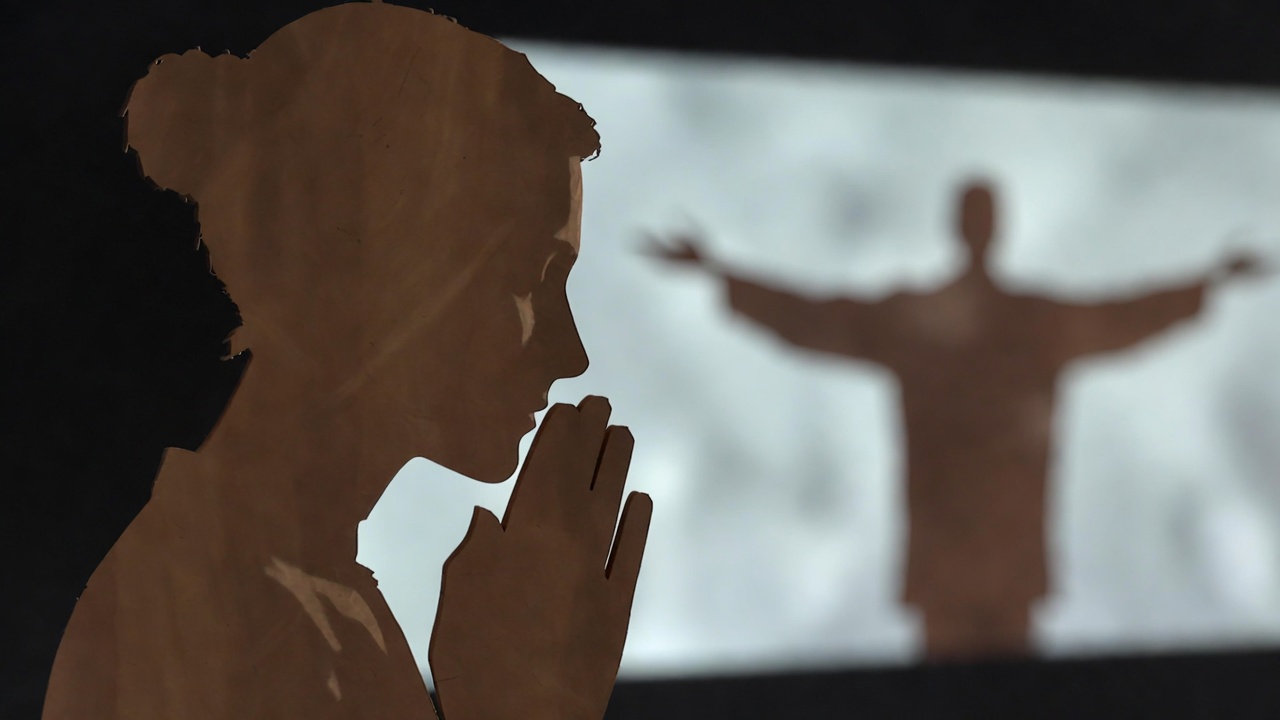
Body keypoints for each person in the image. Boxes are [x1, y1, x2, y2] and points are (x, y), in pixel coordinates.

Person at [44, 4, 651, 719]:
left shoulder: (304, 595)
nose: (569, 354)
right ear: (372, 269)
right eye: (530, 277)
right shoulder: (233, 628)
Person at [652, 180, 1263, 659]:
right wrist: (720, 274)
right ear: (993, 229)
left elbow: (815, 320)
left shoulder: (946, 322)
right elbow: (1126, 318)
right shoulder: (1015, 324)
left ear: (963, 228)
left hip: (969, 561)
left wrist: (719, 274)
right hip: (985, 561)